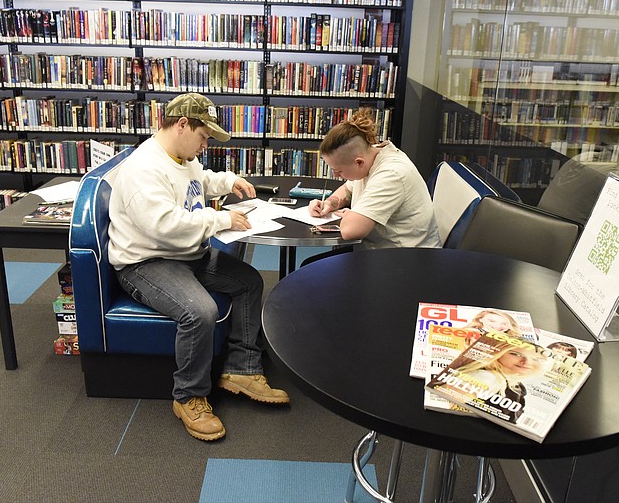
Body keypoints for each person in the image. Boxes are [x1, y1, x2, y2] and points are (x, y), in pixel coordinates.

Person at [107, 93, 289, 442]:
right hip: (146, 262)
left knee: (249, 282)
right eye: (204, 136)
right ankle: (189, 395)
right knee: (199, 311)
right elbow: (163, 224)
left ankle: (241, 369)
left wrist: (228, 182)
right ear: (181, 125)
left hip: (186, 254)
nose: (205, 145)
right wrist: (221, 220)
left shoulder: (179, 155)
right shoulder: (143, 169)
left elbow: (198, 180)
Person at [305, 107, 440, 261]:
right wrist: (330, 202)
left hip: (405, 260)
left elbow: (350, 230)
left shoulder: (391, 175)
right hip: (383, 250)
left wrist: (351, 215)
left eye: (339, 170)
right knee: (311, 266)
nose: (336, 175)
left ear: (359, 162)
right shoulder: (371, 153)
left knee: (312, 271)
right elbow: (348, 189)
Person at [438, 341, 551, 424]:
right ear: (499, 352)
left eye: (535, 358)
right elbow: (441, 404)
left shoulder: (512, 383)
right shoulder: (488, 377)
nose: (526, 362)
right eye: (515, 354)